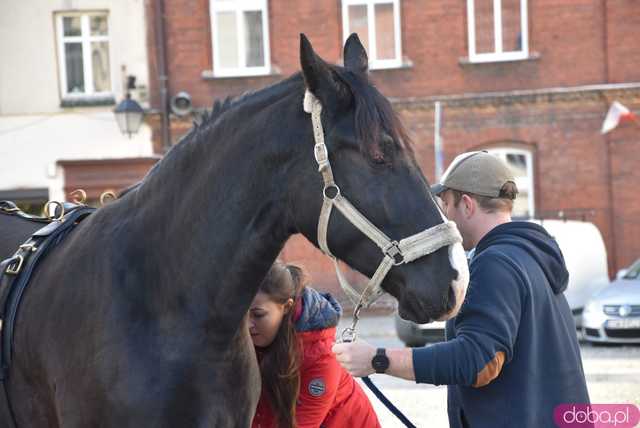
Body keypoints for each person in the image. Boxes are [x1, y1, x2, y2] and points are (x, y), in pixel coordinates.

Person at [332, 151, 591, 427]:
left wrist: (377, 359)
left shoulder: (495, 264)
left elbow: (478, 362)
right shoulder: (530, 256)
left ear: (466, 205)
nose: (443, 217)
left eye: (445, 204)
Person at [249, 261, 380, 428]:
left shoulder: (320, 356)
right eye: (242, 315)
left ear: (287, 307)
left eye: (258, 315)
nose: (247, 325)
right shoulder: (248, 337)